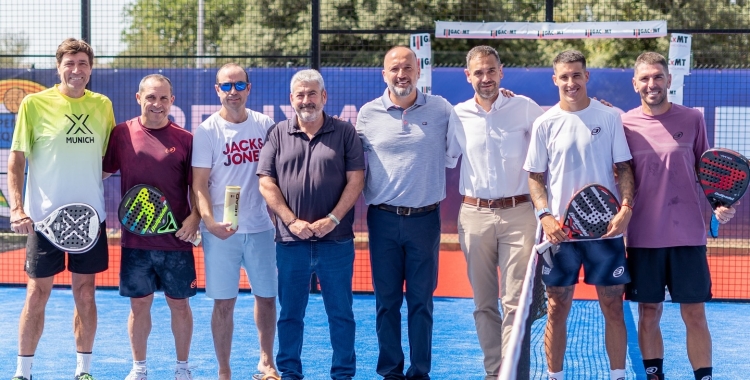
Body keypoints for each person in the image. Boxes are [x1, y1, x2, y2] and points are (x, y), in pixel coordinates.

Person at [621, 52, 737, 380]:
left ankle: (705, 377)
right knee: (648, 313)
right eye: (644, 78)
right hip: (644, 238)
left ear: (668, 80)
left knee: (695, 314)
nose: (651, 84)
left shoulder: (692, 119)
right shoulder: (625, 124)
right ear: (635, 84)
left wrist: (720, 205)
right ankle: (655, 375)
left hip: (688, 237)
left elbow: (709, 170)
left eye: (657, 77)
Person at [523, 50, 635, 380]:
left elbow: (625, 167)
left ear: (586, 77)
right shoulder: (544, 123)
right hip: (561, 235)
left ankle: (617, 376)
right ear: (555, 79)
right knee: (557, 308)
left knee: (613, 306)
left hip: (606, 234)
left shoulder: (610, 117)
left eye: (576, 75)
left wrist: (626, 206)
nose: (571, 82)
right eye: (564, 76)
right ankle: (554, 377)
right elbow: (535, 177)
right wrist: (544, 216)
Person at [8, 38, 115, 380]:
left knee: (85, 293)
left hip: (90, 222)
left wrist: (86, 186)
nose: (76, 70)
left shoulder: (102, 105)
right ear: (59, 67)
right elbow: (16, 160)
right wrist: (17, 207)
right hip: (43, 223)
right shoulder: (34, 104)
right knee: (37, 293)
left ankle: (83, 371)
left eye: (83, 63)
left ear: (91, 68)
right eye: (70, 63)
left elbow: (109, 158)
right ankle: (23, 372)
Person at [257, 69, 364, 380]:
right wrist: (291, 222)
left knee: (341, 315)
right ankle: (290, 373)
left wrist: (332, 219)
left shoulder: (345, 132)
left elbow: (356, 180)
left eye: (312, 93)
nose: (306, 100)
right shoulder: (277, 133)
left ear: (324, 97)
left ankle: (343, 374)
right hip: (291, 244)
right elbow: (266, 182)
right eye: (300, 95)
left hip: (337, 241)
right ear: (292, 99)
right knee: (290, 315)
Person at [445, 45, 544, 379]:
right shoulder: (456, 115)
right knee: (483, 304)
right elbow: (442, 154)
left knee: (516, 303)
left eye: (491, 71)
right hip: (473, 216)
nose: (485, 78)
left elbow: (556, 132)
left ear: (501, 72)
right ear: (468, 75)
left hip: (519, 215)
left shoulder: (525, 107)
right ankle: (494, 372)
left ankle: (511, 373)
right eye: (478, 72)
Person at [357, 45, 454, 380]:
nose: (402, 74)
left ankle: (420, 372)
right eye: (394, 69)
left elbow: (478, 115)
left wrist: (506, 96)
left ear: (418, 71)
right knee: (386, 303)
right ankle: (390, 371)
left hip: (425, 221)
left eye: (408, 68)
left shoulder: (442, 108)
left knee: (421, 303)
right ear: (384, 74)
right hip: (382, 220)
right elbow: (349, 163)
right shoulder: (368, 114)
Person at [102, 74, 200, 380]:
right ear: (138, 98)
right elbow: (101, 173)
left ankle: (182, 369)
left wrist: (195, 217)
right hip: (136, 242)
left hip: (176, 242)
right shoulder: (121, 134)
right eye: (150, 97)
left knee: (180, 305)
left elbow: (197, 187)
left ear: (172, 100)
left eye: (163, 98)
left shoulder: (186, 139)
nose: (156, 104)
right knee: (139, 305)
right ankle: (139, 368)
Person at [191, 63, 280, 380]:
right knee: (224, 304)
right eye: (226, 86)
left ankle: (267, 363)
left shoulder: (265, 124)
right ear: (217, 90)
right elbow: (198, 185)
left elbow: (279, 174)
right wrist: (210, 223)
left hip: (259, 228)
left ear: (249, 88)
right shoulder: (206, 131)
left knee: (267, 299)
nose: (233, 92)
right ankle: (224, 370)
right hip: (220, 233)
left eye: (239, 85)